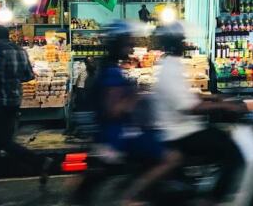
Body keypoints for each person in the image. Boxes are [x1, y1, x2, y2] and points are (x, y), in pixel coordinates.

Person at [74, 21, 179, 205]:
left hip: (114, 133)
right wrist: (138, 95)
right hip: (119, 136)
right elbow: (115, 109)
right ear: (118, 44)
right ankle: (133, 194)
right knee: (172, 158)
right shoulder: (112, 73)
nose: (131, 47)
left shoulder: (106, 68)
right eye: (128, 43)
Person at [153, 22, 245, 205]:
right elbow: (189, 106)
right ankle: (213, 199)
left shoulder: (170, 64)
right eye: (181, 40)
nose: (185, 43)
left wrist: (213, 99)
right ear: (174, 43)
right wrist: (223, 107)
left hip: (182, 127)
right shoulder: (170, 68)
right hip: (180, 131)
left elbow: (186, 96)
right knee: (232, 151)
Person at [0, 25, 52, 189]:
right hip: (16, 100)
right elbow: (29, 75)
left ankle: (39, 161)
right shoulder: (20, 50)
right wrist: (13, 78)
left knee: (2, 141)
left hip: (3, 100)